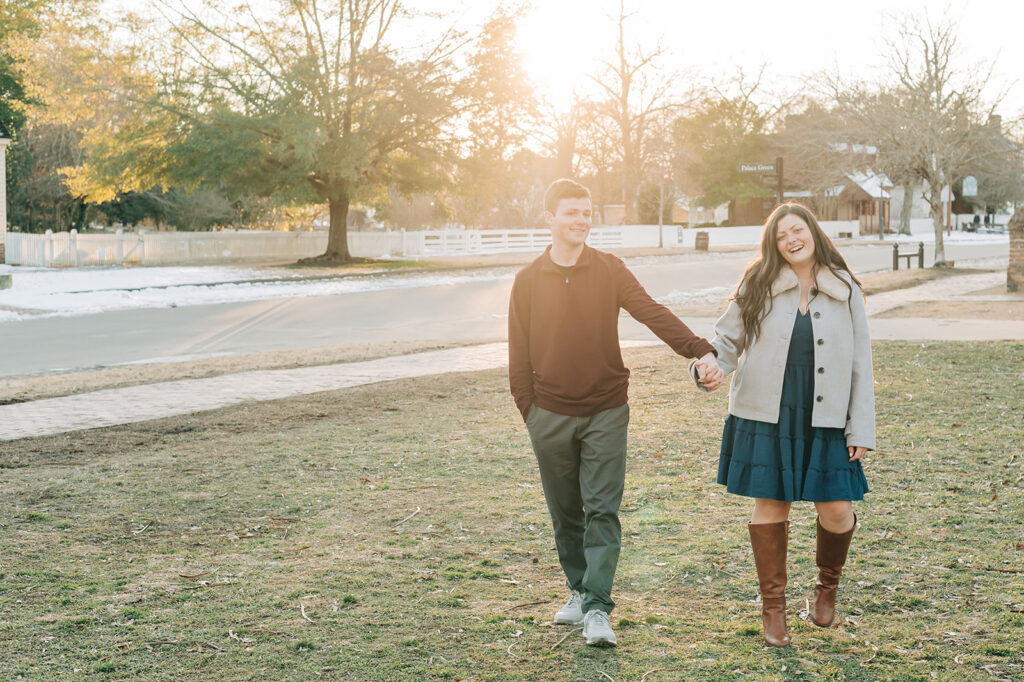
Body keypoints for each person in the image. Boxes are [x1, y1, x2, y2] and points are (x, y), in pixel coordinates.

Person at [508, 178, 721, 647]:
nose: (582, 220)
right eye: (571, 212)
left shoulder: (609, 269)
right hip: (550, 414)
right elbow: (517, 355)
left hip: (606, 409)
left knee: (602, 509)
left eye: (587, 212)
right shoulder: (527, 280)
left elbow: (651, 311)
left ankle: (598, 609)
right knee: (565, 512)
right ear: (550, 217)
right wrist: (531, 412)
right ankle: (579, 590)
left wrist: (701, 349)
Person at [694, 203, 874, 647]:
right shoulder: (758, 283)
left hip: (827, 415)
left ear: (813, 232)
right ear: (773, 244)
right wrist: (710, 366)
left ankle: (826, 588)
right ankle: (773, 610)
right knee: (772, 507)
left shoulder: (844, 287)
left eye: (797, 230)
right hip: (766, 411)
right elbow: (727, 341)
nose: (791, 239)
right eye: (781, 235)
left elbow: (860, 361)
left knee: (836, 510)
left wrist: (861, 428)